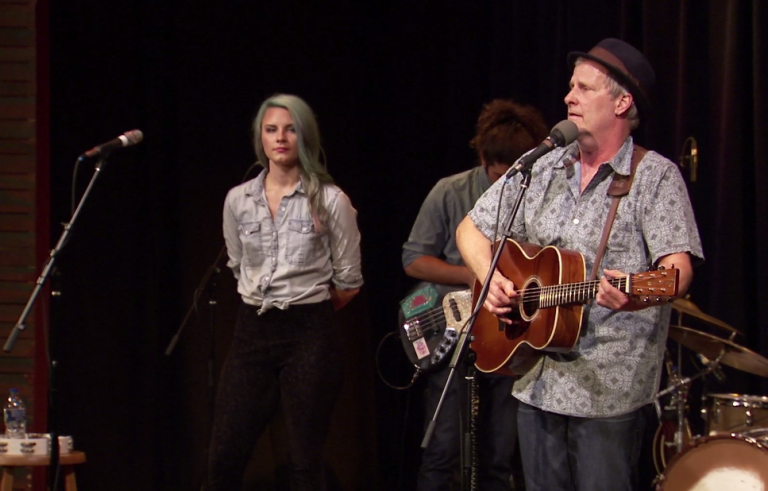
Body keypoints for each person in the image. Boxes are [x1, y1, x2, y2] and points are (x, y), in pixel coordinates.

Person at [455, 39, 703, 491]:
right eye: (571, 86)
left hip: (607, 392)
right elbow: (470, 230)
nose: (569, 97)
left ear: (622, 102)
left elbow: (677, 271)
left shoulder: (655, 176)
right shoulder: (544, 166)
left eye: (585, 88)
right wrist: (492, 279)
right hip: (536, 380)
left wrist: (635, 295)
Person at [207, 93, 363, 491]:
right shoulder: (237, 200)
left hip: (309, 331)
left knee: (303, 460)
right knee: (224, 455)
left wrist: (307, 310)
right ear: (260, 137)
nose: (280, 138)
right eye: (271, 129)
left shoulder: (330, 200)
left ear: (304, 136)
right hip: (252, 330)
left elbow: (348, 281)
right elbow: (238, 263)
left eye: (290, 129)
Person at [403, 99, 549, 490]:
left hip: (511, 338)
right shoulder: (450, 191)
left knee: (499, 456)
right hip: (458, 333)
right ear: (483, 157)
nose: (506, 183)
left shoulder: (543, 198)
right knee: (442, 450)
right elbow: (413, 259)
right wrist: (473, 276)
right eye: (498, 173)